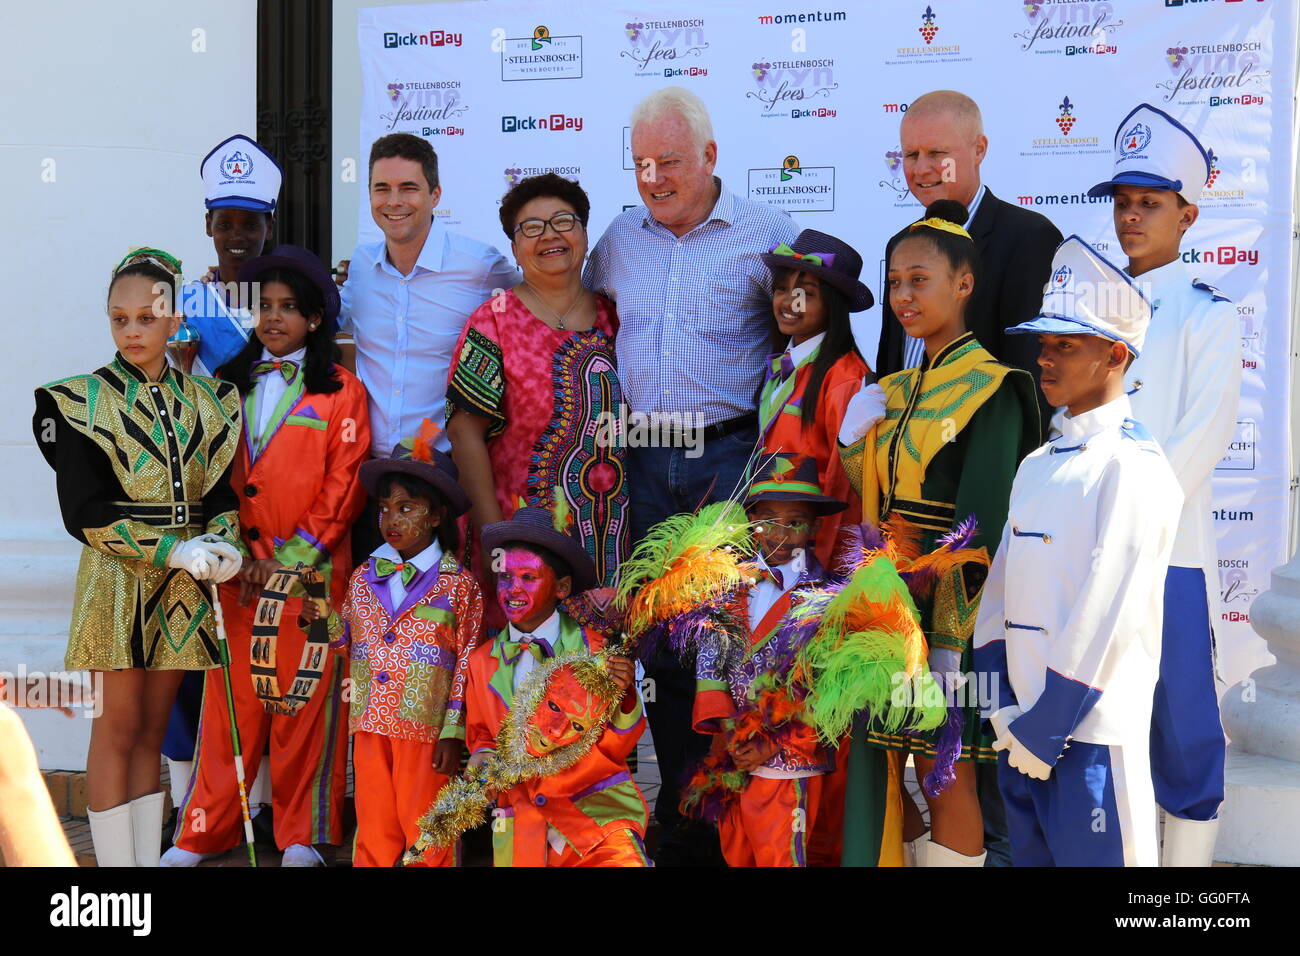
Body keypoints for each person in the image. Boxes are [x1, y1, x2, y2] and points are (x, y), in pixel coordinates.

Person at [583, 86, 798, 862]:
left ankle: (743, 818)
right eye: (640, 163)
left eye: (669, 161)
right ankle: (682, 814)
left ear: (711, 157)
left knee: (729, 645)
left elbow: (814, 325)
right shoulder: (616, 239)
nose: (653, 177)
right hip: (640, 463)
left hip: (730, 461)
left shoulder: (769, 233)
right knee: (663, 646)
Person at [839, 201, 1040, 867]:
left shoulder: (995, 387)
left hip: (949, 612)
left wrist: (951, 646)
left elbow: (978, 529)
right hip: (883, 606)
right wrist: (848, 444)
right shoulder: (890, 388)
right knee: (879, 763)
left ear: (964, 284)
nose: (902, 295)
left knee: (943, 768)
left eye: (919, 279)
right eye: (894, 281)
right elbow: (872, 496)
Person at [973, 236, 1182, 866]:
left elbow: (1108, 611)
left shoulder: (1135, 467)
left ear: (1116, 354)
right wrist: (999, 707)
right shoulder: (1039, 462)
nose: (1046, 359)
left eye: (1066, 346)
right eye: (1043, 345)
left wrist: (1047, 723)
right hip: (1021, 730)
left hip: (1086, 736)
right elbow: (1000, 592)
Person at [32, 248, 244, 866]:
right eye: (118, 319)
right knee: (117, 729)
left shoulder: (212, 402)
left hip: (184, 587)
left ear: (175, 320)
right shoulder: (77, 402)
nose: (131, 331)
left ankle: (143, 871)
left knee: (154, 734)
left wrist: (224, 544)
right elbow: (85, 512)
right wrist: (172, 549)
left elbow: (221, 494)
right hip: (118, 583)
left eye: (145, 319)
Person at [162, 246, 369, 867]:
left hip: (308, 580)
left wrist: (289, 560)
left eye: (290, 308)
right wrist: (236, 556)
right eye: (265, 307)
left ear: (314, 319)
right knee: (233, 704)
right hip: (238, 576)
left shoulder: (342, 392)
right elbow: (211, 475)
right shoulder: (227, 383)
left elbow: (345, 487)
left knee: (303, 701)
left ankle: (301, 833)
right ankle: (201, 831)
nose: (274, 319)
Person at [1083, 103, 1241, 866]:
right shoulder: (1088, 311)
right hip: (1088, 555)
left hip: (1167, 552)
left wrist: (1131, 519)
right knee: (1107, 726)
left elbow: (1203, 434)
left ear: (1188, 214)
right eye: (1122, 201)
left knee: (1182, 727)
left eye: (1149, 203)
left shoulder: (1208, 314)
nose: (1131, 216)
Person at [446, 174, 626, 629]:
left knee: (597, 674)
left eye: (563, 221)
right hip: (517, 532)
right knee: (516, 677)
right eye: (531, 227)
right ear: (514, 247)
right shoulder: (493, 320)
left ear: (585, 234)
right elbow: (465, 431)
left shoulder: (617, 315)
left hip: (607, 534)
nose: (549, 234)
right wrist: (491, 535)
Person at [337, 133, 519, 564]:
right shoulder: (361, 266)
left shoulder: (479, 265)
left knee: (446, 620)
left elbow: (532, 315)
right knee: (373, 617)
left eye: (409, 188)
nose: (393, 200)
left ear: (436, 194)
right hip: (373, 483)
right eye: (382, 188)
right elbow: (316, 320)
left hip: (447, 481)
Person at [310, 426, 483, 866]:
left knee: (427, 829)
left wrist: (453, 731)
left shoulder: (459, 585)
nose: (391, 520)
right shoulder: (364, 576)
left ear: (438, 516)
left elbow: (466, 663)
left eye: (407, 508)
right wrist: (320, 622)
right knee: (374, 825)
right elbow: (347, 642)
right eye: (385, 508)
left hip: (424, 729)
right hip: (369, 722)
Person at [463, 507, 649, 866]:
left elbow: (620, 745)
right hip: (521, 828)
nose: (513, 589)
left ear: (562, 588)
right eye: (504, 577)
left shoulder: (596, 651)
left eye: (528, 577)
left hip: (596, 818)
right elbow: (483, 737)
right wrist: (483, 766)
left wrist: (624, 694)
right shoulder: (481, 662)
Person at [874, 91, 1062, 431]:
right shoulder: (899, 244)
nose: (921, 168)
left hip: (980, 460)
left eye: (936, 153)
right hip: (902, 460)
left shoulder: (1028, 237)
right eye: (910, 154)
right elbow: (893, 363)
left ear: (979, 150)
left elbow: (1028, 375)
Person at [691, 454, 842, 866]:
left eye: (794, 521)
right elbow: (710, 666)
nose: (779, 532)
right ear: (751, 522)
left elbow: (829, 689)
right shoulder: (726, 584)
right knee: (736, 852)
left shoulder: (829, 599)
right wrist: (731, 734)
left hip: (790, 761)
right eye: (767, 519)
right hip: (732, 754)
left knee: (781, 858)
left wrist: (770, 742)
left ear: (813, 527)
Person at [758, 230, 873, 569]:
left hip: (813, 560)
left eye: (805, 294)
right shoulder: (785, 363)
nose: (788, 303)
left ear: (833, 305)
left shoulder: (844, 378)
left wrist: (819, 571)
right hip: (777, 549)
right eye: (782, 289)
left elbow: (844, 486)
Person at [179, 134, 280, 376]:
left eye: (250, 225)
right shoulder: (185, 302)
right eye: (224, 225)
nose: (237, 236)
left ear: (270, 228)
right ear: (208, 225)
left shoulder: (291, 302)